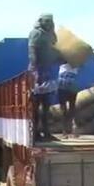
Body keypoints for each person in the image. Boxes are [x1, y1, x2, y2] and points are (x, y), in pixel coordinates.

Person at [28, 13, 60, 141]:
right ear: (41, 21)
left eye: (50, 21)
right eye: (46, 21)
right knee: (35, 105)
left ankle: (46, 132)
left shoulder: (51, 34)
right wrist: (34, 69)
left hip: (48, 72)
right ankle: (35, 133)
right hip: (38, 71)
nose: (48, 23)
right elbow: (32, 50)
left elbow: (55, 47)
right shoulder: (36, 33)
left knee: (47, 106)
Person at [58, 62, 79, 138]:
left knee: (63, 109)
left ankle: (64, 132)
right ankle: (74, 128)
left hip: (62, 86)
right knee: (72, 108)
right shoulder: (76, 63)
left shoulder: (61, 64)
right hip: (73, 86)